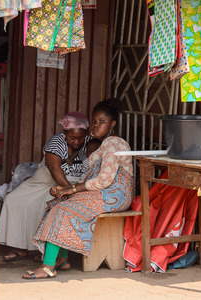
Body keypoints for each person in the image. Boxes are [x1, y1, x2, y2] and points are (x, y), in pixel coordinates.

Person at [22, 99, 133, 279]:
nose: (96, 126)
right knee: (58, 202)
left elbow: (105, 179)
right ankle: (63, 259)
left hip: (115, 194)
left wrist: (73, 189)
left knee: (62, 209)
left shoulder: (114, 143)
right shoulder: (103, 144)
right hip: (104, 192)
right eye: (94, 121)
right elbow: (94, 179)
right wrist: (65, 189)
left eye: (102, 122)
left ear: (112, 124)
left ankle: (48, 266)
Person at [0, 112, 90, 263]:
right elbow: (55, 170)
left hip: (72, 183)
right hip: (44, 181)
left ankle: (46, 251)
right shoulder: (56, 142)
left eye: (81, 137)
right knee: (13, 200)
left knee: (48, 205)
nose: (77, 141)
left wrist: (74, 189)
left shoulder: (89, 143)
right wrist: (70, 191)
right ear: (65, 133)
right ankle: (20, 247)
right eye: (73, 138)